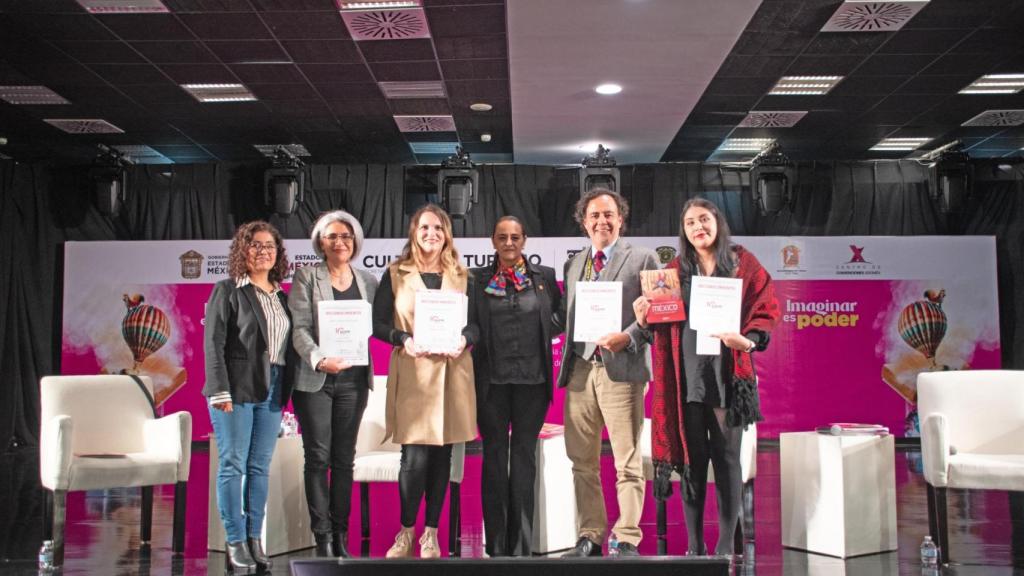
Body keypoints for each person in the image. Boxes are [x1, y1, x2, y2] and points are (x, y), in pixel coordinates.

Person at [633, 197, 779, 556]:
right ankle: (696, 548)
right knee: (692, 462)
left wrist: (746, 340)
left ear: (717, 222)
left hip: (728, 374)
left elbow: (765, 307)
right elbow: (659, 325)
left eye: (704, 219)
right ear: (684, 232)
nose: (698, 227)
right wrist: (643, 317)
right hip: (686, 376)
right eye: (690, 223)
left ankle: (726, 545)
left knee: (728, 459)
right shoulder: (673, 271)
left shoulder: (743, 262)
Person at [372, 204, 478, 559]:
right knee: (413, 458)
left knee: (442, 456)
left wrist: (465, 339)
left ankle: (430, 534)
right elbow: (378, 324)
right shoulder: (395, 273)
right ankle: (406, 530)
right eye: (424, 228)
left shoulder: (464, 275)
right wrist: (403, 340)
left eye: (438, 228)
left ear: (447, 234)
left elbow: (475, 325)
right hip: (414, 371)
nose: (431, 234)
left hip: (452, 373)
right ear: (414, 233)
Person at [558, 188, 660, 558]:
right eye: (594, 216)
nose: (602, 221)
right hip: (581, 372)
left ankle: (628, 537)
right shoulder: (574, 264)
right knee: (581, 461)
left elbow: (659, 317)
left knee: (627, 460)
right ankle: (591, 534)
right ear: (583, 222)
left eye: (609, 214)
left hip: (623, 371)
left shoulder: (644, 258)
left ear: (621, 219)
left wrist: (628, 337)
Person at [203, 221, 296, 573]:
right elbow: (213, 344)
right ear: (243, 250)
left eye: (270, 245)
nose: (263, 251)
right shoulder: (227, 290)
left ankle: (255, 538)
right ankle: (235, 540)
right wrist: (218, 390)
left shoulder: (281, 295)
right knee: (233, 464)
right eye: (255, 245)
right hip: (236, 389)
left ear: (278, 253)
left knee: (259, 467)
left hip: (273, 388)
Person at [470, 216, 562, 557]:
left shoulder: (545, 278)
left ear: (525, 240)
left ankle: (521, 544)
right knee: (494, 458)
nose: (509, 243)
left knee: (523, 459)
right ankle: (496, 545)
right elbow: (469, 323)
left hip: (533, 383)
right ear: (492, 241)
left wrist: (542, 332)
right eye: (502, 237)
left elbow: (560, 313)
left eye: (515, 237)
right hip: (490, 383)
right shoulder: (476, 280)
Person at [289, 210, 378, 558]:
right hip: (317, 380)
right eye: (332, 236)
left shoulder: (368, 280)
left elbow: (380, 323)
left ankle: (341, 532)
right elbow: (299, 328)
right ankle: (322, 535)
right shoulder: (307, 277)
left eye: (345, 236)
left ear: (354, 241)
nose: (340, 242)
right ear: (320, 242)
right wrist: (318, 359)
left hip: (354, 381)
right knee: (318, 458)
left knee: (344, 460)